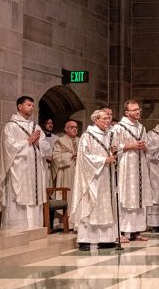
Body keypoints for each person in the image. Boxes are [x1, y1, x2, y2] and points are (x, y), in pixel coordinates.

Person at [0, 95, 48, 229]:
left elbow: (46, 146)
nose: (31, 108)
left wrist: (38, 144)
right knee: (18, 197)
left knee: (34, 197)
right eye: (28, 105)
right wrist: (27, 142)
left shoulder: (35, 126)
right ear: (20, 106)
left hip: (35, 172)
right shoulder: (10, 126)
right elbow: (8, 147)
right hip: (18, 171)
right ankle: (16, 228)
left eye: (33, 106)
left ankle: (35, 227)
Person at [72, 109, 119, 251]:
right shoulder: (87, 136)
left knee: (106, 206)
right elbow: (85, 157)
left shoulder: (110, 135)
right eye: (104, 118)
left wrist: (115, 153)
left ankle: (106, 239)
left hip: (107, 177)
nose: (107, 121)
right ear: (95, 120)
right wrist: (104, 159)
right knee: (90, 204)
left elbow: (114, 154)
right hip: (92, 177)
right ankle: (85, 240)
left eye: (108, 118)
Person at [111, 100, 153, 243]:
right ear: (126, 112)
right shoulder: (119, 128)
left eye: (138, 109)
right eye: (134, 110)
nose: (137, 112)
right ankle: (123, 231)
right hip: (126, 166)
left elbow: (148, 146)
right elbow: (113, 147)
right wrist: (131, 146)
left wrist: (144, 147)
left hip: (140, 166)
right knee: (127, 197)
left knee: (138, 198)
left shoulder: (141, 127)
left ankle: (136, 231)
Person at [51, 120, 80, 229]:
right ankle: (63, 223)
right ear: (66, 129)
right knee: (67, 196)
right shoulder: (61, 141)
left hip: (78, 172)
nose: (74, 129)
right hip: (66, 173)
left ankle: (76, 223)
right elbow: (56, 157)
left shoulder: (80, 140)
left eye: (76, 127)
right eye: (71, 127)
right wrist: (71, 155)